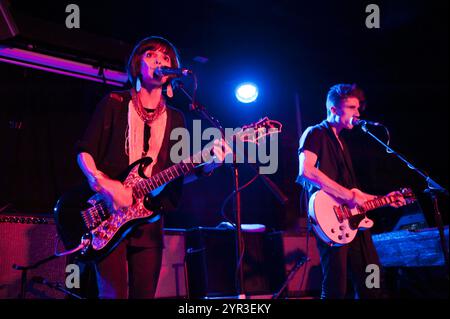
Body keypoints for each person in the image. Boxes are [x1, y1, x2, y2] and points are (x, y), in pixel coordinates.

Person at [76, 36, 226, 299]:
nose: (159, 60)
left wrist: (207, 165)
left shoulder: (177, 118)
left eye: (166, 57)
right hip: (108, 214)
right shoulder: (114, 102)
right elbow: (84, 151)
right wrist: (106, 185)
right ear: (137, 64)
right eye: (151, 55)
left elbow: (175, 177)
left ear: (171, 73)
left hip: (149, 221)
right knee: (113, 295)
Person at [296, 83, 405, 299]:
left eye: (358, 108)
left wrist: (384, 200)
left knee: (372, 278)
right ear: (334, 109)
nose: (357, 113)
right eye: (352, 108)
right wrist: (349, 196)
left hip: (354, 222)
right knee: (336, 286)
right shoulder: (315, 133)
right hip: (330, 220)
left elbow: (353, 194)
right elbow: (306, 172)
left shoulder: (342, 143)